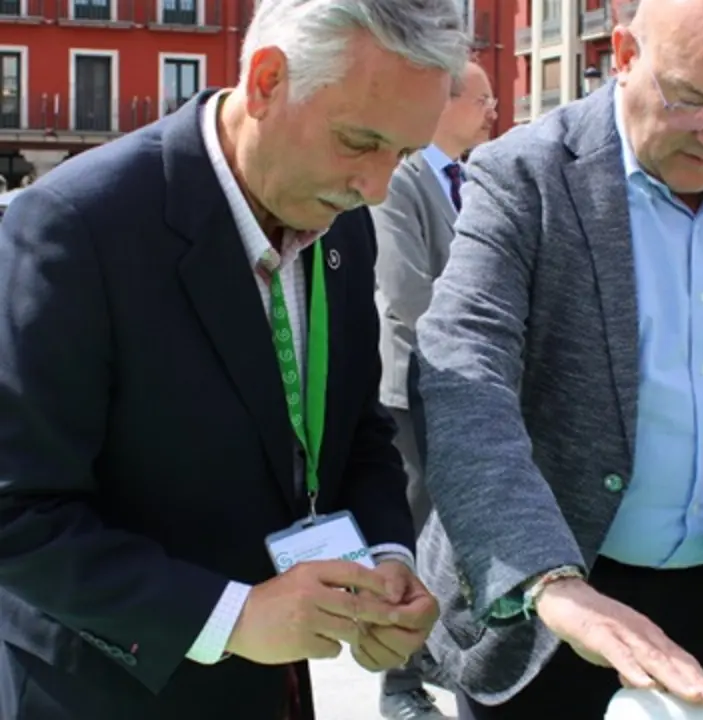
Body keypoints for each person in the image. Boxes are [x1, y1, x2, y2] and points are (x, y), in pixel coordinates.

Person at [0, 1, 470, 718]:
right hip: (104, 695)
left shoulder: (343, 224)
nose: (375, 187)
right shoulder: (76, 227)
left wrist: (387, 561)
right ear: (265, 81)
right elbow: (17, 514)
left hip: (274, 689)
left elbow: (358, 432)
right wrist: (231, 617)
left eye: (402, 155)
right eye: (358, 141)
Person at [414, 0, 703, 716]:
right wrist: (547, 582)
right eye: (695, 104)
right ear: (622, 53)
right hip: (550, 615)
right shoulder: (524, 175)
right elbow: (464, 379)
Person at [372, 59, 497, 720]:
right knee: (415, 533)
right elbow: (405, 293)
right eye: (483, 98)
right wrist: (474, 351)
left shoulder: (472, 179)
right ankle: (399, 684)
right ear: (444, 100)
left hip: (465, 388)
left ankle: (437, 658)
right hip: (415, 386)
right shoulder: (400, 177)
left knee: (456, 532)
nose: (494, 111)